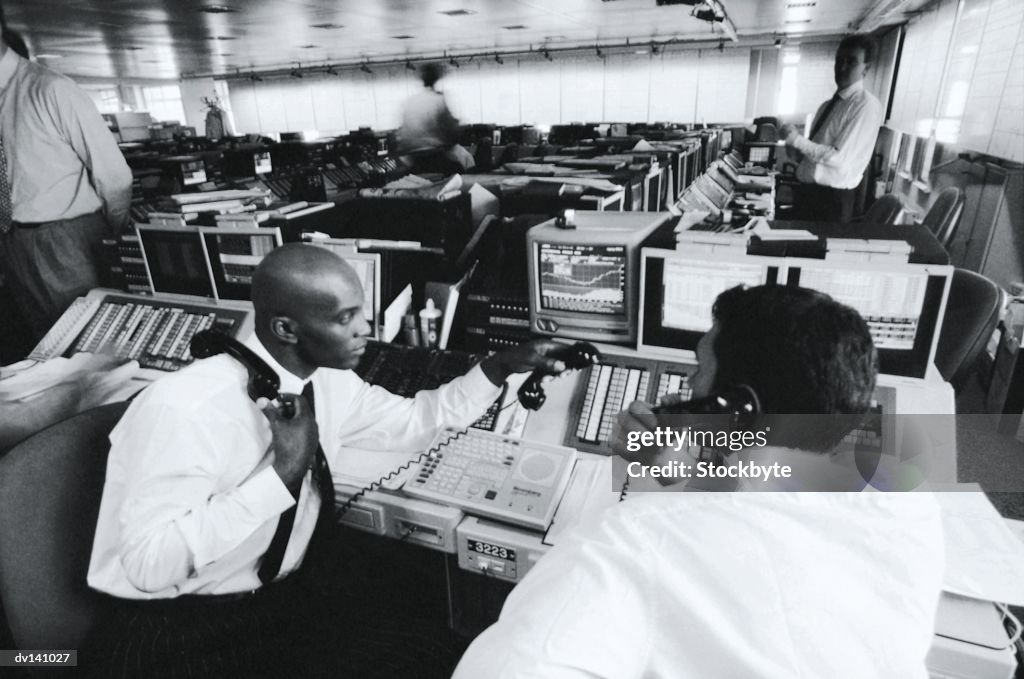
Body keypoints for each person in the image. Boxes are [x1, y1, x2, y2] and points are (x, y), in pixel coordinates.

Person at [85, 244, 572, 679]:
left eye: (362, 312)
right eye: (345, 319)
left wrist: (499, 366)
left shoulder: (326, 380)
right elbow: (149, 566)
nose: (366, 329)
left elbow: (418, 418)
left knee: (439, 655)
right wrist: (281, 475)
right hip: (181, 627)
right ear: (285, 329)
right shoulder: (183, 407)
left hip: (281, 603)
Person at [453, 285, 945, 679]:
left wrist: (656, 494)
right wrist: (672, 470)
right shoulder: (908, 500)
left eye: (699, 370)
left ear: (734, 408)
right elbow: (765, 514)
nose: (688, 386)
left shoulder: (633, 544)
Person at [0, 8, 132, 344]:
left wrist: (108, 233)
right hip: (12, 240)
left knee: (91, 343)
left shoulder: (50, 89)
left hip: (66, 238)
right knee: (45, 346)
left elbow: (114, 175)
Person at [781, 34, 884, 223]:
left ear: (866, 68)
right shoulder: (827, 106)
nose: (842, 67)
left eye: (851, 62)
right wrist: (793, 149)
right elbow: (814, 156)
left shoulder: (866, 105)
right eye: (839, 60)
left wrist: (798, 140)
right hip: (807, 195)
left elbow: (839, 158)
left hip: (830, 202)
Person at [397, 62, 473, 174]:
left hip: (414, 160)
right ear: (437, 78)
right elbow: (451, 133)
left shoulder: (409, 102)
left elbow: (402, 138)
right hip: (434, 158)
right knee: (460, 172)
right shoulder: (438, 100)